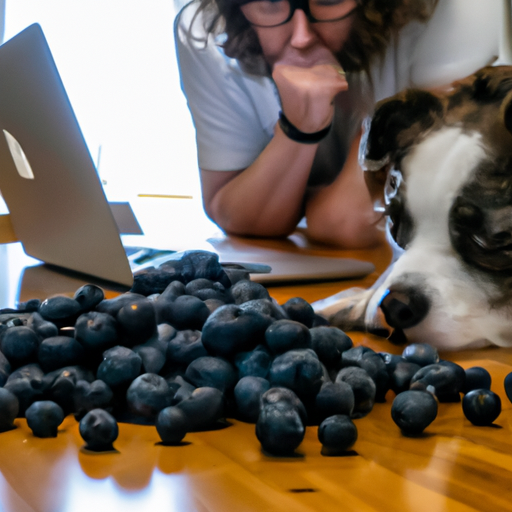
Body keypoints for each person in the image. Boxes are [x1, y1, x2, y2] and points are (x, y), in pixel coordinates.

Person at [174, 0, 501, 248]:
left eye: (329, 0)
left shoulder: (446, 12)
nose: (301, 38)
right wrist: (300, 128)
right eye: (271, 2)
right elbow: (235, 215)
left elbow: (345, 221)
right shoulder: (207, 30)